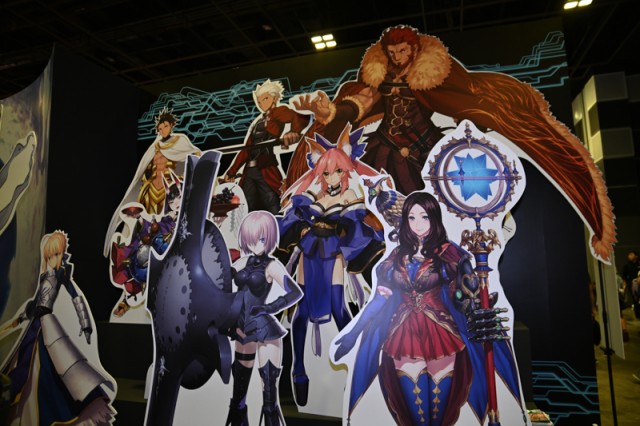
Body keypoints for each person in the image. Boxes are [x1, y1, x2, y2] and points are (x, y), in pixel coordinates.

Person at [287, 24, 614, 262]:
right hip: (383, 149)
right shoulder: (380, 76)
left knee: (435, 211)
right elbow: (362, 101)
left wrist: (476, 119)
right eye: (392, 53)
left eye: (403, 51)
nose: (398, 57)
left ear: (414, 49)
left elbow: (465, 97)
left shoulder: (434, 72)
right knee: (368, 204)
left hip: (423, 149)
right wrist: (333, 112)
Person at [332, 192, 521, 425]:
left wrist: (475, 304)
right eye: (411, 218)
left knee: (438, 417)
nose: (418, 224)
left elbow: (463, 298)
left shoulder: (449, 254)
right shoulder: (395, 258)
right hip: (403, 336)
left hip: (442, 335)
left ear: (434, 218)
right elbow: (379, 301)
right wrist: (352, 334)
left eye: (424, 217)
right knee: (417, 417)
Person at [277, 124, 384, 406]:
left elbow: (356, 223)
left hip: (334, 252)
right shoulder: (316, 195)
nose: (332, 177)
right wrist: (303, 227)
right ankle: (298, 369)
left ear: (346, 169)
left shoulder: (349, 196)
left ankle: (357, 363)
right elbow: (296, 213)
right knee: (301, 311)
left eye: (337, 171)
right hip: (310, 250)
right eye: (326, 173)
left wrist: (344, 235)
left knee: (339, 307)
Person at [1, 231, 115, 425]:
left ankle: (58, 408)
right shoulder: (43, 276)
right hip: (34, 325)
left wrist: (85, 324)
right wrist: (19, 319)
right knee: (26, 364)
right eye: (50, 256)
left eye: (57, 254)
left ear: (62, 254)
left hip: (48, 326)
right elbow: (35, 303)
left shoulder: (62, 274)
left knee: (58, 367)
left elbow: (76, 297)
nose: (53, 259)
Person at [226, 211, 303, 426]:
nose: (255, 244)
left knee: (269, 393)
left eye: (261, 238)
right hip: (243, 328)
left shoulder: (272, 265)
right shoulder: (242, 262)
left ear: (269, 238)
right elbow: (221, 281)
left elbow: (295, 292)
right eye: (251, 239)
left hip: (265, 329)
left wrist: (269, 308)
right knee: (238, 394)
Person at [103, 106, 200, 257]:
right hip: (152, 190)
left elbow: (195, 155)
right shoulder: (154, 147)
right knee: (147, 222)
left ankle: (167, 249)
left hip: (168, 191)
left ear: (171, 125)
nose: (163, 130)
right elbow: (145, 169)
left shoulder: (180, 141)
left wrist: (184, 178)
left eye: (165, 126)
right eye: (160, 128)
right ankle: (142, 250)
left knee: (167, 222)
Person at [223, 79, 310, 214]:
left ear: (274, 98)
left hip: (265, 169)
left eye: (265, 99)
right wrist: (231, 171)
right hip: (250, 171)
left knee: (272, 202)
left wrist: (294, 132)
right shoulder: (259, 121)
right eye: (259, 101)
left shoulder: (277, 112)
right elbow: (247, 150)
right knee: (247, 205)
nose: (261, 104)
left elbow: (298, 117)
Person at [622, 250, 640, 319]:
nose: (629, 256)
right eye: (629, 255)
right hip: (632, 286)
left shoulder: (639, 264)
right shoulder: (627, 266)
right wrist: (625, 286)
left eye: (631, 254)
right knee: (635, 300)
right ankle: (638, 315)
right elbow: (624, 277)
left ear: (636, 256)